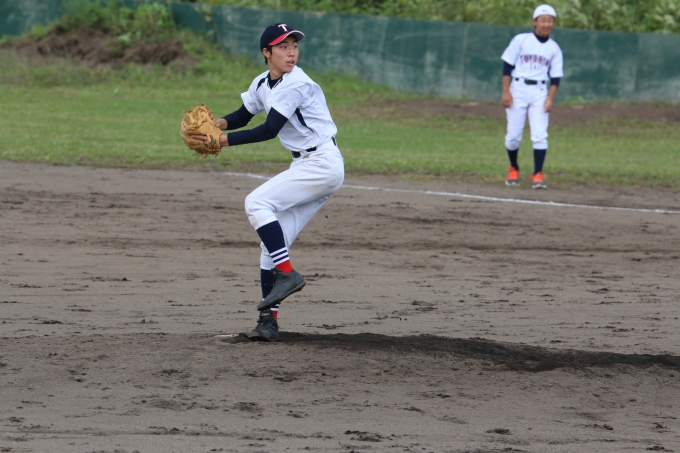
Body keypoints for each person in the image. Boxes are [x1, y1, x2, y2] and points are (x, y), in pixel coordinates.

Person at [193, 23, 344, 341]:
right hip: (308, 164)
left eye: (294, 46)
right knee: (272, 247)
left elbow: (269, 129)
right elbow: (244, 114)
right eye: (283, 47)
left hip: (321, 162)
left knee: (257, 202)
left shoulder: (296, 83)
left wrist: (221, 141)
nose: (291, 52)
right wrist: (216, 124)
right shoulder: (263, 82)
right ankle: (267, 323)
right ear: (267, 52)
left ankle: (287, 274)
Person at [501, 4, 563, 189]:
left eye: (550, 21)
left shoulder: (554, 48)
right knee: (513, 136)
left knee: (540, 135)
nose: (546, 24)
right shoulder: (521, 40)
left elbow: (556, 77)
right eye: (543, 20)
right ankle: (513, 168)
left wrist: (550, 98)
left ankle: (537, 174)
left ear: (554, 23)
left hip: (539, 91)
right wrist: (506, 91)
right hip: (518, 88)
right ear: (535, 22)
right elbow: (507, 67)